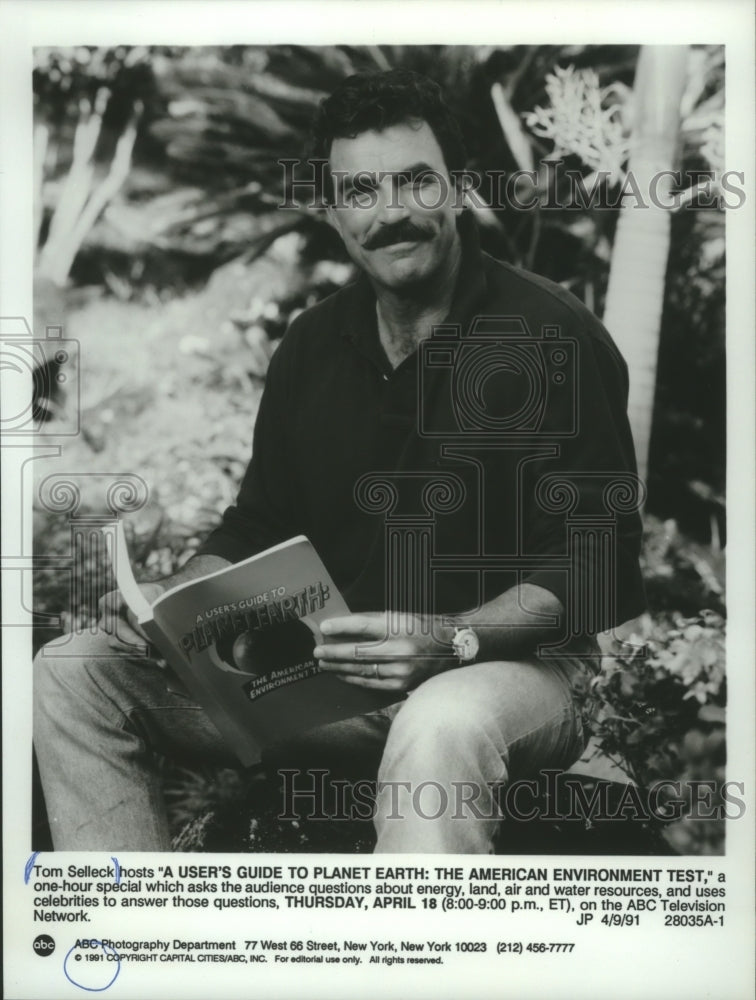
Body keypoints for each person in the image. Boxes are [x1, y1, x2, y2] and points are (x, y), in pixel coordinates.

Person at [33, 69, 646, 853]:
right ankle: (130, 947)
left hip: (514, 678)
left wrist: (454, 639)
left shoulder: (553, 337)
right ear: (330, 210)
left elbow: (598, 562)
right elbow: (260, 518)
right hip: (331, 689)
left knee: (441, 720)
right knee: (73, 668)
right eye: (359, 191)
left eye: (416, 183)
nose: (389, 213)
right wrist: (173, 596)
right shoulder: (310, 345)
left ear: (457, 190)